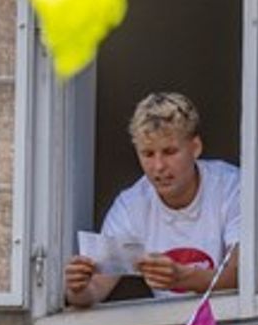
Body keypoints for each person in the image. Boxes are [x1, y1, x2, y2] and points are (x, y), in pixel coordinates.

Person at [64, 92, 242, 309]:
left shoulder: (232, 185)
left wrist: (183, 278)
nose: (158, 166)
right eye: (148, 154)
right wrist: (76, 289)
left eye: (169, 151)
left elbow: (241, 274)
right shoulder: (130, 205)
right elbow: (96, 288)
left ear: (195, 148)